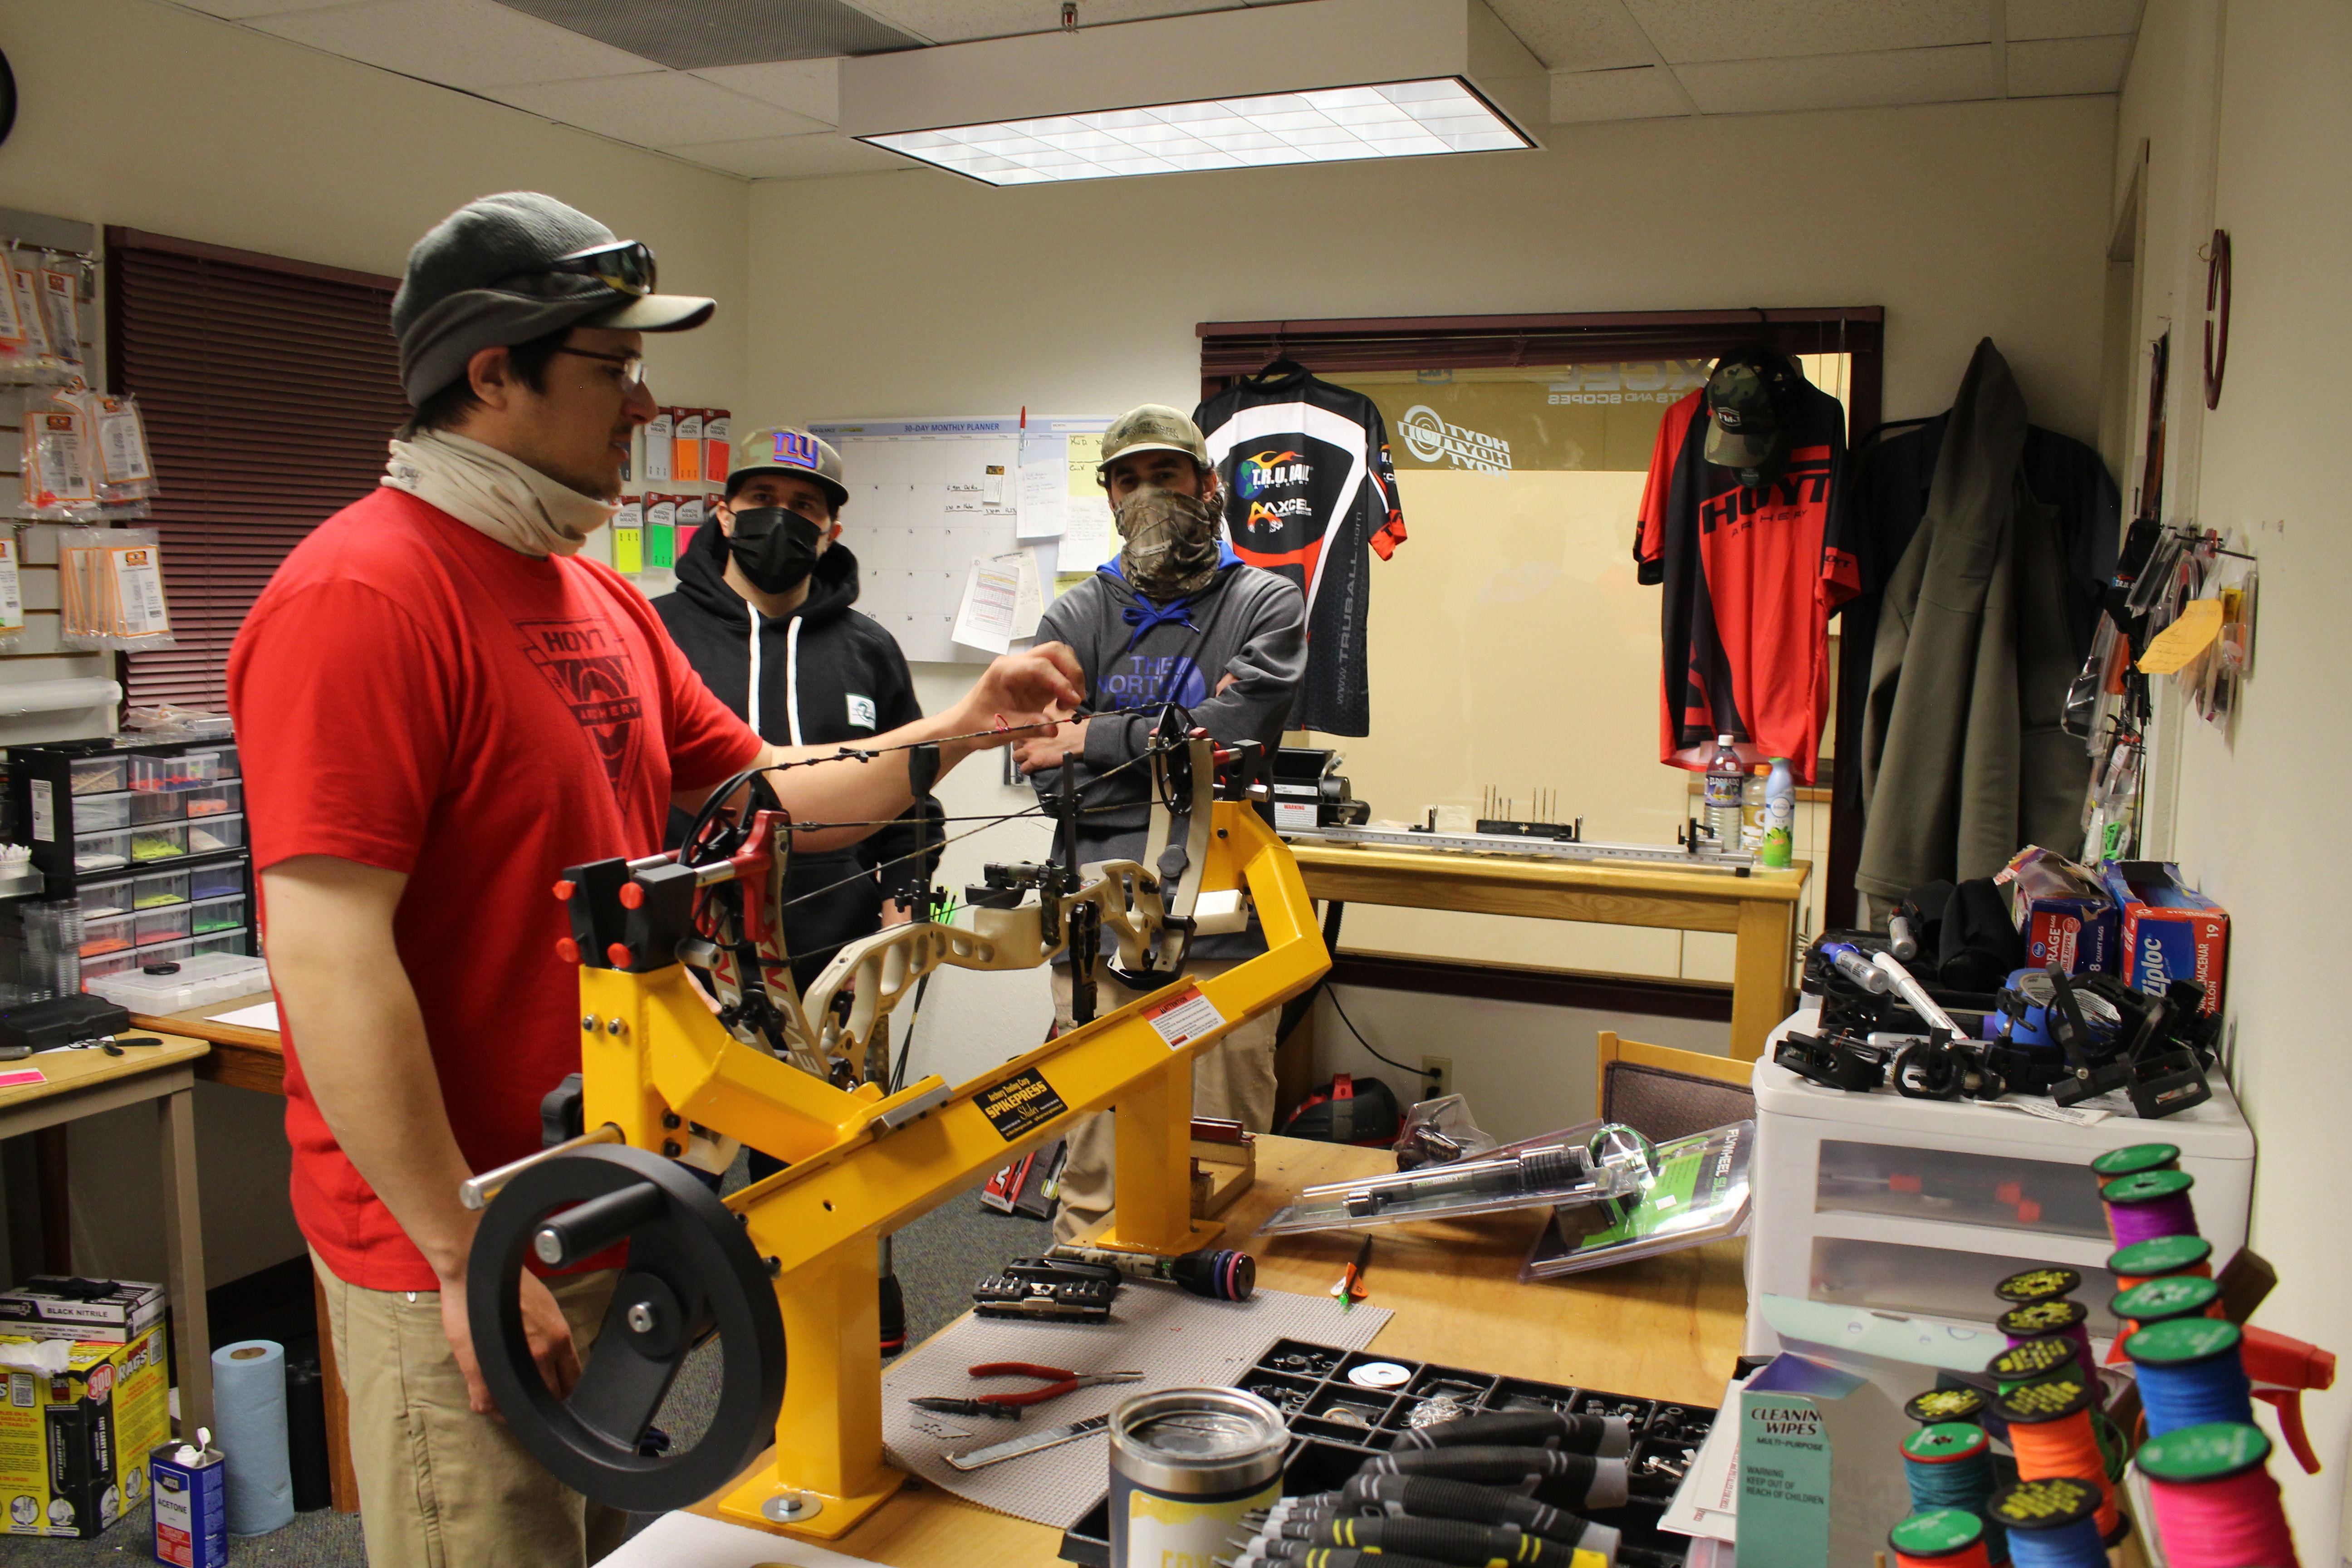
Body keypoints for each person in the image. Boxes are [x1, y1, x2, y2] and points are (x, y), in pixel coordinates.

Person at [228, 192, 1080, 1568]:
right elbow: (327, 956)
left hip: (608, 1187)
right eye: (612, 367)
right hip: (455, 1232)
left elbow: (766, 797)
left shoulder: (595, 597)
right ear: (491, 373)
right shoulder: (362, 597)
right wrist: (460, 1252)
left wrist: (962, 727)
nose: (642, 404)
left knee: (598, 1541)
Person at [1013, 404, 1306, 1245]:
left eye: (1166, 476)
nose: (1147, 495)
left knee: (1223, 1164)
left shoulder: (1263, 602)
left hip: (1225, 940)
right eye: (1128, 480)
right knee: (1098, 1169)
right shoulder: (1075, 617)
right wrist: (1173, 758)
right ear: (1108, 498)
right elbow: (1045, 773)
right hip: (1099, 929)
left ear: (1209, 487)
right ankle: (1085, 1316)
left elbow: (1236, 740)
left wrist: (1096, 739)